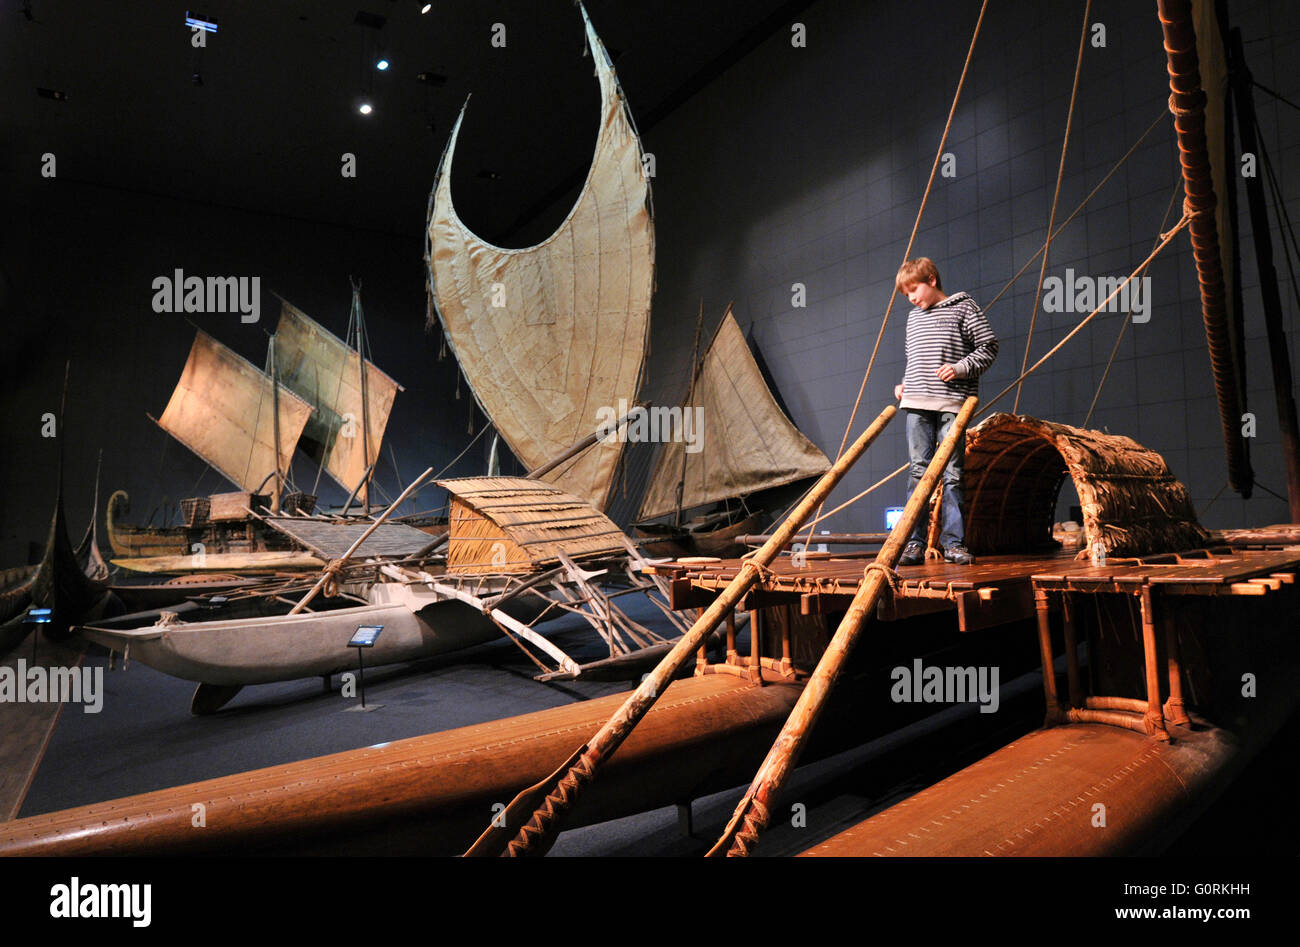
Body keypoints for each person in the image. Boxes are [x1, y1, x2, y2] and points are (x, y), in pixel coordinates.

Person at [891, 258, 998, 566]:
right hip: (916, 404)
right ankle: (915, 542)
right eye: (906, 294)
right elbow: (917, 360)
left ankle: (953, 543)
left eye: (914, 289)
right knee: (917, 472)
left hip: (951, 403)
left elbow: (988, 346)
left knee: (952, 474)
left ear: (932, 280)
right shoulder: (914, 318)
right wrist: (905, 385)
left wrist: (960, 368)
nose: (911, 298)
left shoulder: (963, 308)